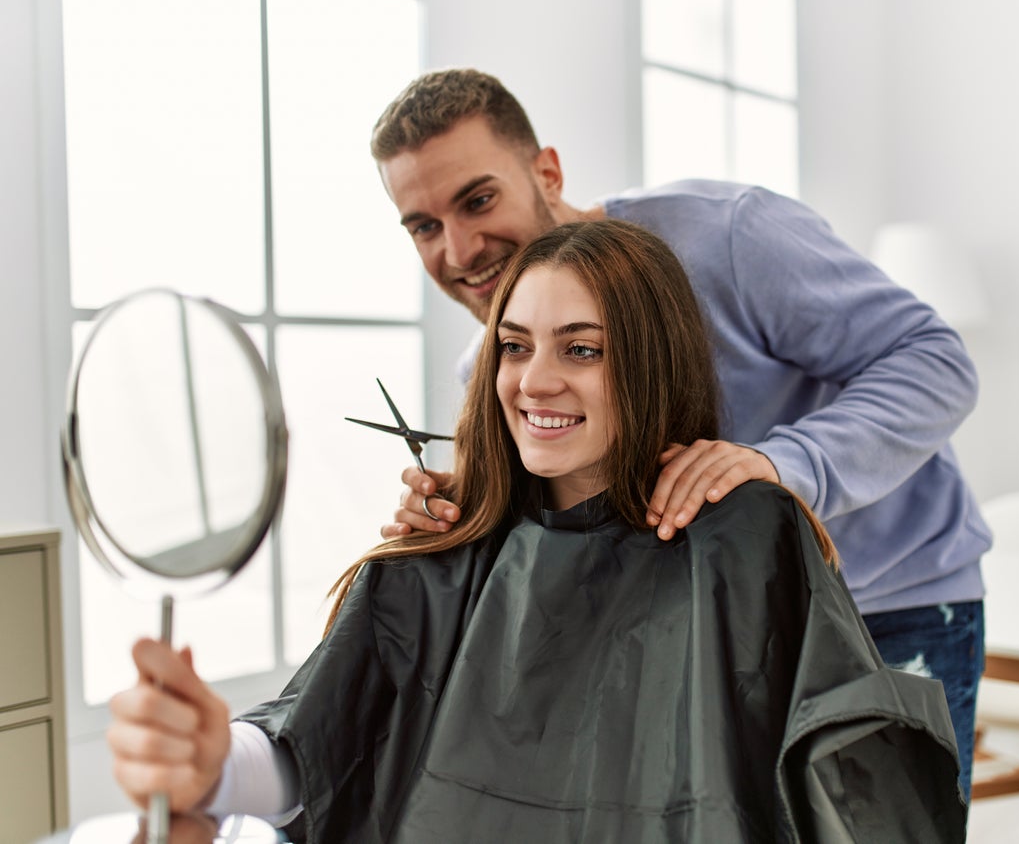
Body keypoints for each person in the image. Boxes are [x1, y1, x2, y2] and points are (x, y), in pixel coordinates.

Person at [108, 220, 967, 842]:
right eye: (514, 347)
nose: (535, 381)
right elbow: (319, 744)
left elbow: (846, 771)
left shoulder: (741, 537)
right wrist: (215, 764)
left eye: (582, 349)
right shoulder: (440, 548)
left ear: (650, 360)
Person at [372, 69, 991, 795]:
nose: (460, 248)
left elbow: (935, 360)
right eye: (424, 225)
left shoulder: (728, 236)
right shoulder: (490, 368)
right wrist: (466, 509)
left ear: (547, 172)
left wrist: (779, 464)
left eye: (478, 200)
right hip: (703, 636)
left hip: (884, 604)